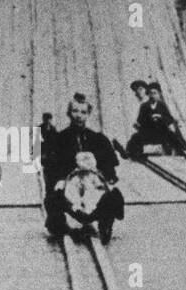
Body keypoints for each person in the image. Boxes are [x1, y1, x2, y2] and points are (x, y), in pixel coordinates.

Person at [43, 94, 125, 243]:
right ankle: (60, 224)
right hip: (70, 191)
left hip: (92, 189)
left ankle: (105, 224)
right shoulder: (59, 139)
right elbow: (51, 168)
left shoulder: (98, 139)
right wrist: (60, 181)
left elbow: (109, 167)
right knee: (54, 199)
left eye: (83, 112)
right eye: (75, 111)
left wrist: (104, 176)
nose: (79, 116)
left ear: (88, 114)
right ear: (69, 113)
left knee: (113, 195)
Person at [126, 81, 186, 158]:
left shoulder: (161, 105)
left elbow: (169, 119)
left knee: (172, 135)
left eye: (155, 93)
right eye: (151, 93)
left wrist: (161, 117)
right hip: (149, 132)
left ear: (159, 94)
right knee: (135, 138)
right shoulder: (144, 106)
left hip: (161, 133)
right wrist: (148, 120)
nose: (153, 95)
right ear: (148, 94)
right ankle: (133, 152)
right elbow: (140, 121)